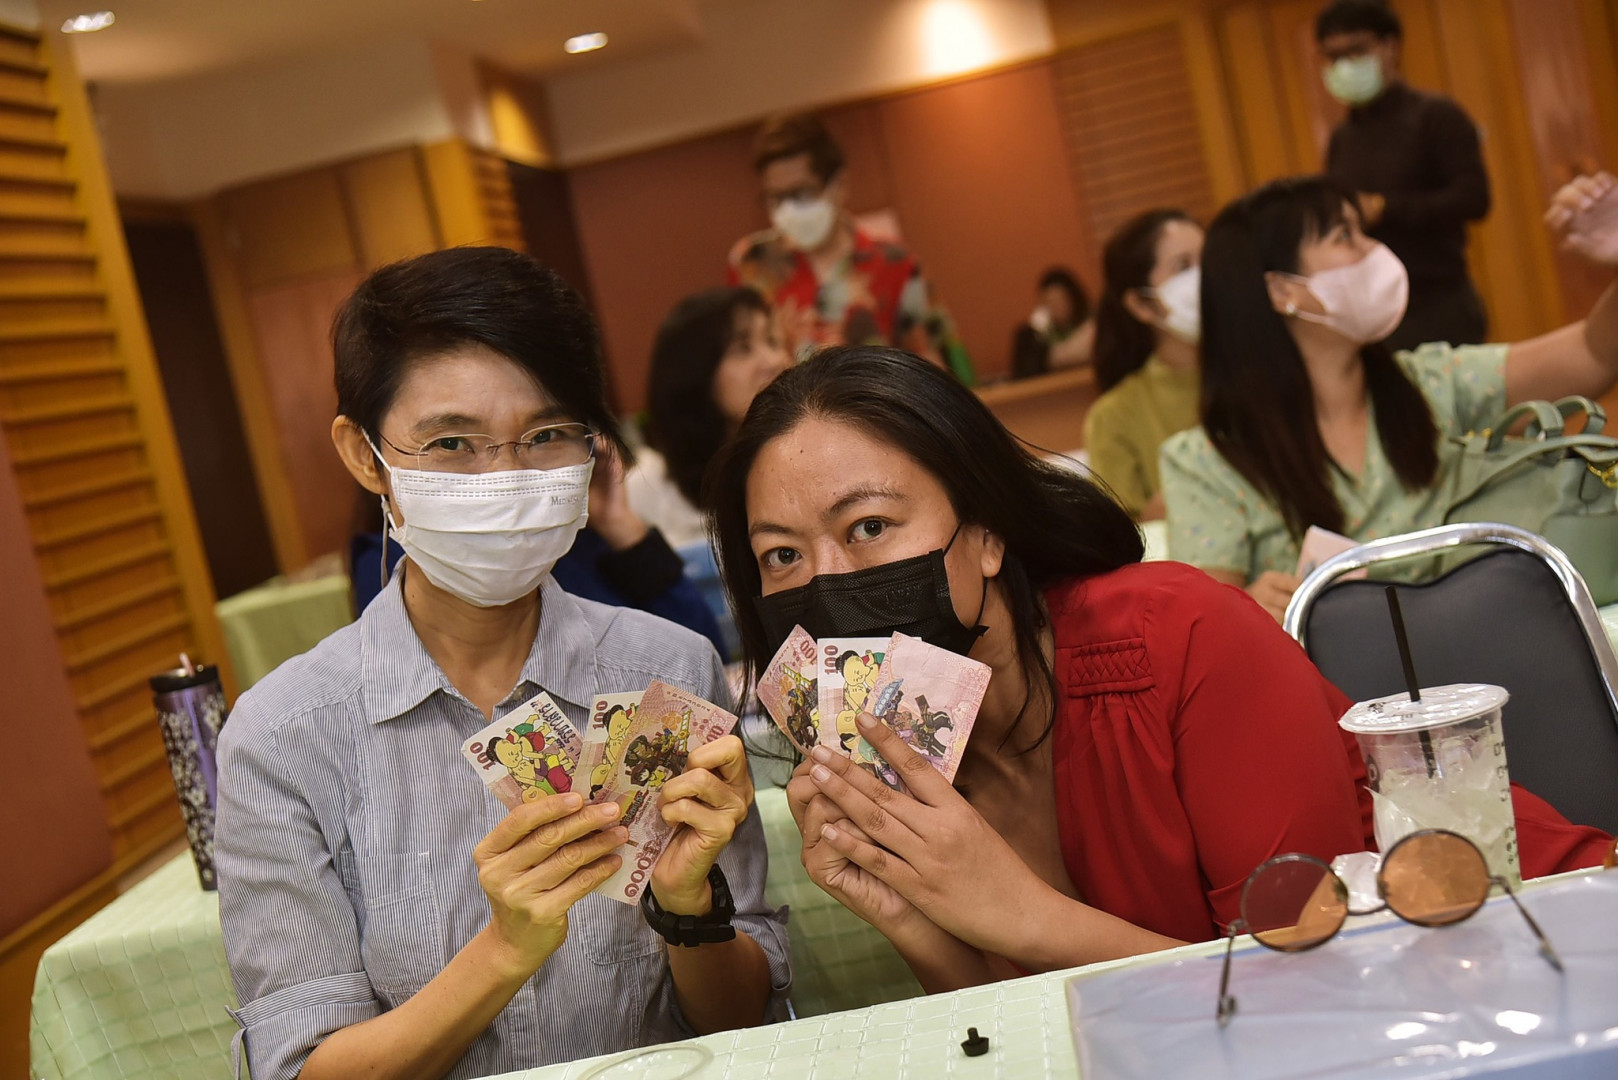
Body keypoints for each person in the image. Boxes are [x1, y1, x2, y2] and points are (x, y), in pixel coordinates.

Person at [703, 346, 1610, 992]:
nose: (826, 584)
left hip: (1532, 960)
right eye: (781, 555)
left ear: (985, 535)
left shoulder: (1183, 637)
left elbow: (1309, 987)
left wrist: (1014, 909)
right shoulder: (903, 748)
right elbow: (1019, 1022)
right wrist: (910, 912)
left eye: (868, 527)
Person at [215, 248, 788, 1080]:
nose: (507, 479)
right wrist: (504, 950)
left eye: (547, 435)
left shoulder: (667, 669)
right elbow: (301, 1068)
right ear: (365, 456)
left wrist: (687, 905)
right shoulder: (282, 737)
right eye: (452, 442)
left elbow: (744, 1018)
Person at [1161, 173, 1618, 621]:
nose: (1375, 251)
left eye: (1364, 231)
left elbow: (1592, 353)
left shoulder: (1431, 383)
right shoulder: (1207, 461)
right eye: (1344, 236)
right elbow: (1201, 630)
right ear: (1283, 290)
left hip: (1484, 644)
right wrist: (1246, 607)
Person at [351, 444, 726, 656]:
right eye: (453, 444)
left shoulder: (585, 539)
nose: (508, 471)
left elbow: (703, 653)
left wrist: (619, 523)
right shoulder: (396, 560)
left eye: (545, 436)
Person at [727, 112, 974, 382]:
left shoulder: (895, 262)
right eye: (776, 198)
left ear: (839, 186)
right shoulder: (752, 264)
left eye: (802, 193)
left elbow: (929, 361)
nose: (788, 210)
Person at [1318, 0, 1490, 351]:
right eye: (1333, 57)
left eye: (1356, 51)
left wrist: (1386, 207)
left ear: (1390, 46)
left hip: (1439, 303)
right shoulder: (1342, 138)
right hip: (1375, 313)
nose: (1345, 65)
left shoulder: (1436, 116)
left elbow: (1474, 198)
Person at [628, 286, 794, 546]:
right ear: (696, 373)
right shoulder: (648, 488)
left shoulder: (807, 458)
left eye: (772, 341)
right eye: (743, 348)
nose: (773, 361)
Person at [1083, 210, 1203, 521]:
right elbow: (1124, 531)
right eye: (1183, 266)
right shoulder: (1114, 416)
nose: (1205, 277)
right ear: (1141, 304)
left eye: (1209, 259)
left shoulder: (1262, 375)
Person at [1010, 267, 1094, 379]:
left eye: (1060, 300)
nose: (1056, 308)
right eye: (1050, 302)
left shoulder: (1091, 328)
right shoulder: (1035, 336)